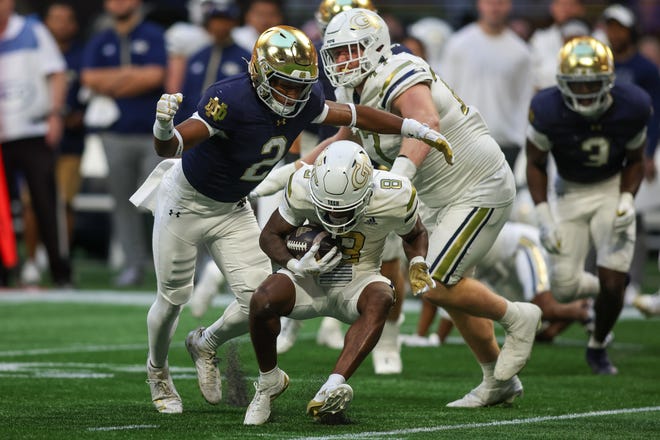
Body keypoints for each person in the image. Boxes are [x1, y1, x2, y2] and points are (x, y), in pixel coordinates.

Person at [131, 24, 454, 414]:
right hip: (185, 202)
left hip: (233, 206)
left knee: (256, 300)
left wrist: (410, 126)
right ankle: (158, 371)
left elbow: (355, 115)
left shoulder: (304, 98)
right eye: (284, 84)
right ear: (259, 73)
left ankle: (205, 343)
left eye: (300, 87)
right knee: (172, 299)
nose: (293, 95)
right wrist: (163, 126)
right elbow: (174, 145)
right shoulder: (229, 98)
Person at [258, 8, 542, 407]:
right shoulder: (355, 87)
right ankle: (497, 379)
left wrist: (402, 176)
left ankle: (517, 317)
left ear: (374, 47)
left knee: (436, 281)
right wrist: (289, 173)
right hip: (435, 196)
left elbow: (425, 121)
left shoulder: (398, 69)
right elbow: (346, 139)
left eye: (349, 51)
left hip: (474, 186)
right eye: (336, 54)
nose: (341, 61)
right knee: (451, 288)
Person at [243, 140, 430, 424]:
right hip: (309, 275)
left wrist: (417, 261)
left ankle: (332, 387)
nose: (334, 217)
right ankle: (269, 381)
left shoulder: (395, 194)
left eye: (344, 210)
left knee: (382, 296)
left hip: (359, 276)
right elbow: (269, 235)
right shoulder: (302, 185)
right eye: (328, 209)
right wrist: (294, 264)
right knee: (262, 299)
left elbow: (415, 233)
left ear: (367, 193)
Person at [526, 36, 651, 374]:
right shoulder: (547, 108)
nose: (584, 94)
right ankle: (615, 288)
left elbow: (636, 160)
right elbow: (535, 162)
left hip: (611, 187)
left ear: (609, 81)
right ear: (562, 84)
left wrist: (626, 197)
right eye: (576, 86)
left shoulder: (633, 105)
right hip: (569, 192)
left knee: (611, 279)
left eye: (591, 85)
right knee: (564, 288)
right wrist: (543, 216)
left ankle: (597, 345)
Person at [81, 0, 168, 287]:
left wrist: (114, 82)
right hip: (114, 134)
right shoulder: (101, 38)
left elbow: (156, 76)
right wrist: (133, 77)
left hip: (152, 135)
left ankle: (165, 267)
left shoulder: (153, 34)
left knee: (158, 202)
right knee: (123, 203)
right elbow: (89, 78)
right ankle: (133, 265)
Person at [404, 222, 592, 346]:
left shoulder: (446, 234)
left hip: (522, 247)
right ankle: (577, 308)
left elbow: (443, 287)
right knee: (541, 332)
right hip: (499, 270)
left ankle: (583, 311)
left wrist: (436, 338)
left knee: (540, 305)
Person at [0, 0, 72, 287]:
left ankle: (61, 274)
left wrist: (55, 113)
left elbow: (57, 73)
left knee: (45, 203)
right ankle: (4, 274)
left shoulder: (32, 30)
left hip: (33, 130)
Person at [601, 4, 660, 305]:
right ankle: (601, 279)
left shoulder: (645, 69)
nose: (614, 33)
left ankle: (633, 281)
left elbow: (655, 113)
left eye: (619, 28)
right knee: (600, 214)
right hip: (605, 150)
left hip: (635, 150)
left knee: (632, 214)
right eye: (610, 27)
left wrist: (648, 151)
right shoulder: (600, 65)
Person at [440, 0, 533, 170]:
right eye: (489, 2)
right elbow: (445, 93)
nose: (495, 7)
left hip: (507, 143)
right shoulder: (458, 44)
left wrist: (523, 140)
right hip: (465, 141)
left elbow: (525, 100)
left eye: (501, 2)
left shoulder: (521, 52)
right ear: (479, 4)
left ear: (509, 5)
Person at [529, 0, 586, 90]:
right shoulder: (539, 39)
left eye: (572, 4)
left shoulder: (594, 40)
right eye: (562, 4)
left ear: (581, 9)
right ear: (552, 7)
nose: (567, 9)